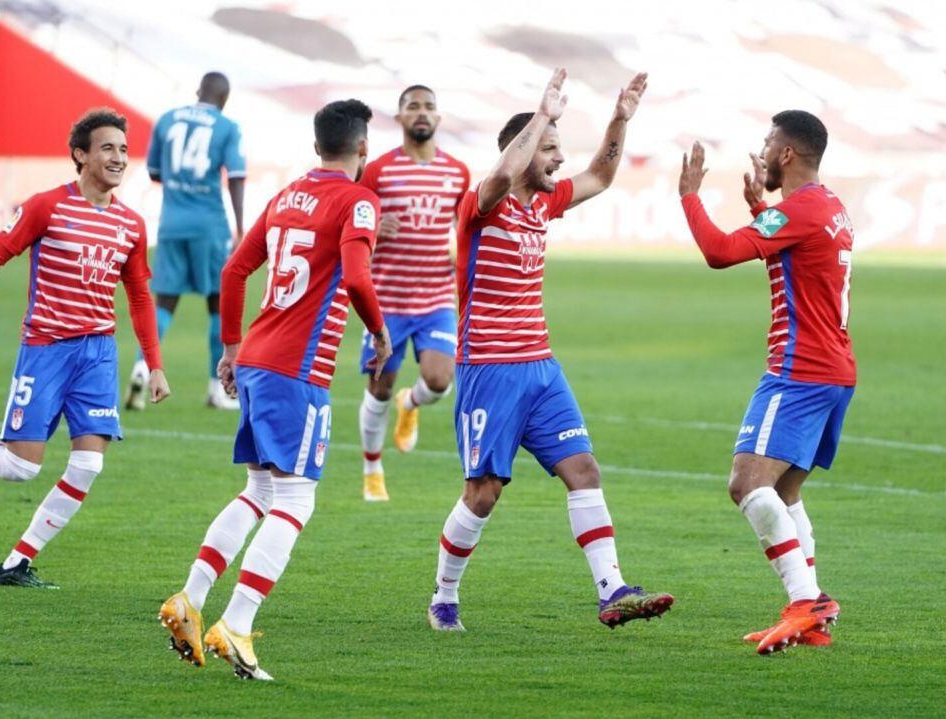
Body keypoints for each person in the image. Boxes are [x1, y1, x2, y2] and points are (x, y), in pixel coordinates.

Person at [426, 68, 673, 633]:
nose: (560, 159)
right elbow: (501, 173)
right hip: (489, 370)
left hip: (541, 368)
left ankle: (612, 592)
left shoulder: (545, 204)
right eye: (551, 150)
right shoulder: (480, 206)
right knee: (483, 494)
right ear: (528, 149)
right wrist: (544, 116)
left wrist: (619, 119)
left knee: (584, 470)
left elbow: (602, 176)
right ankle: (444, 596)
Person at [158, 99, 392, 681]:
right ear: (363, 148)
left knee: (259, 490)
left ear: (317, 148)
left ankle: (189, 601)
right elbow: (358, 277)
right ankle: (235, 626)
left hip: (260, 358)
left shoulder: (288, 195)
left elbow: (235, 270)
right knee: (296, 499)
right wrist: (381, 334)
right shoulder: (359, 200)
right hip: (298, 370)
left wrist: (232, 348)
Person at [0, 109, 170, 588]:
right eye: (107, 148)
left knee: (89, 464)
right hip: (46, 350)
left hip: (98, 353)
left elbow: (140, 296)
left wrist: (155, 365)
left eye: (124, 150)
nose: (118, 158)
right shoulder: (47, 206)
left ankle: (17, 562)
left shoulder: (131, 224)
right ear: (80, 155)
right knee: (19, 467)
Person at [678, 111, 854, 655]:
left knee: (746, 482)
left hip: (797, 371)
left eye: (767, 142)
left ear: (785, 154)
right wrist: (760, 207)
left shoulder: (799, 210)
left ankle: (807, 600)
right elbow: (793, 258)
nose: (760, 150)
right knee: (785, 491)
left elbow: (720, 252)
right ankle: (811, 615)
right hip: (833, 372)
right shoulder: (829, 207)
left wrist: (689, 196)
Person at [356, 84, 470, 501]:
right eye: (412, 106)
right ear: (399, 117)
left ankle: (413, 403)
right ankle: (372, 469)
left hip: (436, 298)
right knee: (378, 388)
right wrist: (372, 225)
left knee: (440, 381)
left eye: (429, 106)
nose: (421, 112)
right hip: (385, 302)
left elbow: (465, 226)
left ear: (438, 118)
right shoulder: (379, 171)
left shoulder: (457, 172)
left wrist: (462, 255)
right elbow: (352, 216)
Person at [126, 71, 245, 411]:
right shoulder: (226, 127)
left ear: (198, 92)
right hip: (210, 226)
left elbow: (154, 172)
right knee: (218, 305)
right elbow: (236, 176)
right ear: (224, 99)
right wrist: (239, 226)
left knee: (163, 304)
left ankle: (140, 369)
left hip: (171, 224)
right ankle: (216, 388)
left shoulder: (166, 119)